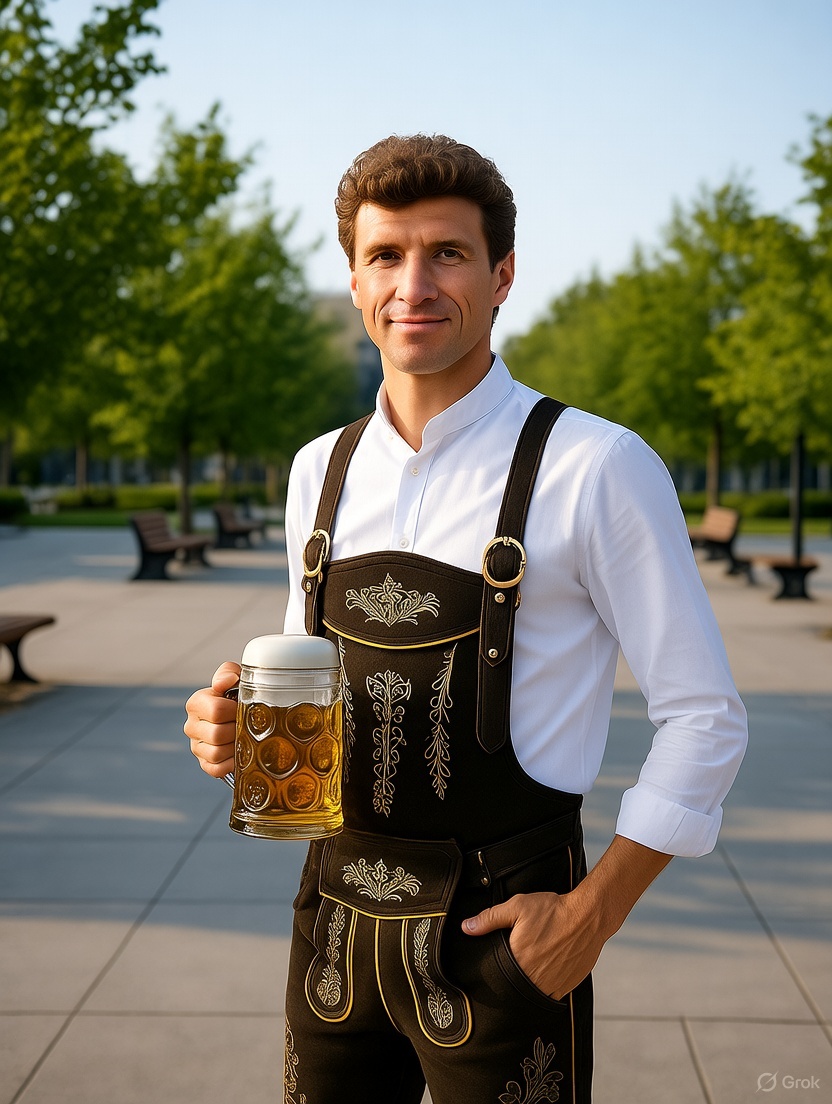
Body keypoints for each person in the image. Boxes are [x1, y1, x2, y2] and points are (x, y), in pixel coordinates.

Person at [184, 134, 747, 1103]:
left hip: (506, 932)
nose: (414, 285)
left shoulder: (596, 465)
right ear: (357, 281)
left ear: (502, 275)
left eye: (446, 253)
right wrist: (227, 725)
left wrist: (592, 915)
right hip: (330, 923)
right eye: (385, 256)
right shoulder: (318, 469)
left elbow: (704, 717)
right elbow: (302, 669)